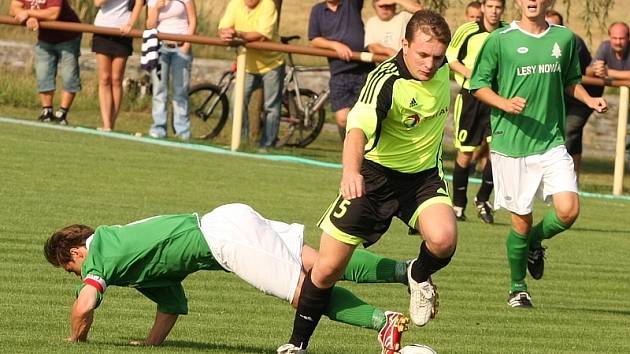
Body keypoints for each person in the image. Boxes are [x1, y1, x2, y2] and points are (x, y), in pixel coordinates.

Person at [279, 10, 456, 354]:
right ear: (404, 44)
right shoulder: (384, 81)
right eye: (422, 55)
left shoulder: (443, 64)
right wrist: (350, 171)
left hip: (421, 179)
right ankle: (296, 344)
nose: (430, 64)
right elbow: (356, 130)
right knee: (327, 269)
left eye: (437, 57)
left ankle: (418, 275)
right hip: (372, 177)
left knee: (444, 239)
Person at [44, 203, 411, 354]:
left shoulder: (102, 251)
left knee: (305, 293)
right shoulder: (128, 254)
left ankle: (382, 322)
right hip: (226, 217)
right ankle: (406, 271)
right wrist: (152, 344)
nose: (77, 274)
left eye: (71, 270)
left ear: (76, 252)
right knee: (322, 263)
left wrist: (77, 340)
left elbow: (85, 304)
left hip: (225, 238)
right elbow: (170, 304)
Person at [470, 0, 608, 308]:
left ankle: (534, 241)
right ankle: (517, 287)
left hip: (550, 141)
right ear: (518, 2)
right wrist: (504, 103)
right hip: (512, 145)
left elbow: (571, 81)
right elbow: (477, 85)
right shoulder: (499, 40)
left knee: (569, 211)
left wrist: (588, 100)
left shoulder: (564, 38)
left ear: (549, 2)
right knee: (521, 221)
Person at [446, 0, 506, 223]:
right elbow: (451, 59)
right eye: (490, 6)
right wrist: (473, 75)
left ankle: (482, 199)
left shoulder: (508, 31)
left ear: (503, 9)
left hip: (496, 99)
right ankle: (458, 204)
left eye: (498, 7)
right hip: (470, 98)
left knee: (497, 152)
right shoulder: (468, 30)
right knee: (466, 153)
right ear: (483, 7)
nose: (493, 11)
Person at [545, 10, 605, 181]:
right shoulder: (540, 42)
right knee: (573, 135)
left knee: (569, 130)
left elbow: (582, 72)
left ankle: (558, 175)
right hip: (563, 95)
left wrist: (601, 72)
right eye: (548, 24)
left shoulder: (572, 41)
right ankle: (573, 178)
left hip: (584, 96)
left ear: (562, 26)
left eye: (555, 25)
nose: (551, 28)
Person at [218, 0, 285, 149]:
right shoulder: (235, 4)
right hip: (246, 65)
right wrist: (225, 33)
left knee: (271, 107)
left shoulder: (268, 5)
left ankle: (267, 146)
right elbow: (223, 27)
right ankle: (241, 142)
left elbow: (262, 36)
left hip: (272, 64)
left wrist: (238, 33)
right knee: (237, 102)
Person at [308, 0, 375, 141]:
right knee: (342, 119)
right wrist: (335, 45)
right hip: (339, 72)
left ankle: (366, 155)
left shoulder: (351, 3)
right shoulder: (317, 10)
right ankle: (350, 151)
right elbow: (314, 39)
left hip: (364, 71)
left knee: (365, 118)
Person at [9, 0, 81, 125]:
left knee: (69, 75)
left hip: (68, 37)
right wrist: (29, 17)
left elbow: (53, 13)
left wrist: (28, 13)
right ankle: (47, 111)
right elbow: (13, 8)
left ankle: (62, 113)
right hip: (45, 38)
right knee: (43, 72)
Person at [146, 0, 197, 140]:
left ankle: (182, 131)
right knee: (159, 89)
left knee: (180, 90)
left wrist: (187, 44)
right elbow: (149, 25)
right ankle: (158, 127)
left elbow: (193, 21)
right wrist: (156, 8)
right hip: (160, 47)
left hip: (181, 48)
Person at [92, 0, 144, 132]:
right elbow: (97, 3)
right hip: (102, 30)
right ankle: (106, 123)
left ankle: (111, 124)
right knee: (104, 78)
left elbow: (139, 3)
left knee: (116, 79)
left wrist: (130, 24)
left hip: (123, 32)